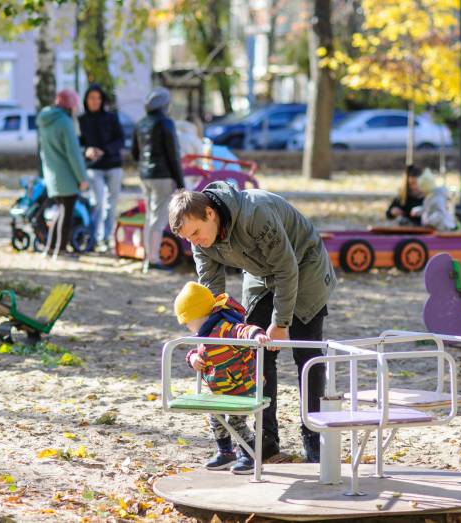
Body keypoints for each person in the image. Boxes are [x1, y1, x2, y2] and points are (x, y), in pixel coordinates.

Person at [168, 183, 338, 463]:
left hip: (304, 265)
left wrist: (281, 322)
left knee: (306, 355)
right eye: (188, 239)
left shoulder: (255, 214)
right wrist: (209, 339)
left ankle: (314, 439)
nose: (195, 242)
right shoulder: (200, 242)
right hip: (260, 274)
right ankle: (266, 440)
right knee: (256, 350)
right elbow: (212, 293)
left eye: (196, 232)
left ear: (210, 213)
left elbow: (287, 268)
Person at [173, 282, 270, 474]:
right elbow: (198, 351)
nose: (188, 327)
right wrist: (192, 358)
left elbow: (243, 330)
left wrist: (257, 334)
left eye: (188, 321)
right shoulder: (205, 333)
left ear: (200, 315)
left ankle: (249, 455)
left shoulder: (225, 327)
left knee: (236, 422)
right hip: (222, 390)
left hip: (243, 387)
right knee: (216, 419)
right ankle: (225, 452)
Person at [131, 87, 184, 272]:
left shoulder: (141, 123)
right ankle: (153, 260)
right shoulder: (166, 123)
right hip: (163, 176)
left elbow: (135, 153)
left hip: (145, 176)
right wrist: (180, 182)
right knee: (159, 219)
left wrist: (145, 167)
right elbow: (173, 155)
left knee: (149, 217)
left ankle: (148, 256)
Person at [37, 89, 89, 256]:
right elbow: (73, 153)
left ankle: (50, 248)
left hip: (52, 174)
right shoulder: (65, 122)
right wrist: (82, 178)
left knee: (60, 212)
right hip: (67, 175)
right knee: (66, 215)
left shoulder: (45, 120)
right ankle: (60, 249)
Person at [78, 84, 124, 251]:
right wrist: (87, 151)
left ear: (102, 99)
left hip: (113, 165)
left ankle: (106, 238)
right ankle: (94, 238)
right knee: (97, 203)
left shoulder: (112, 117)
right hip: (93, 167)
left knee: (111, 204)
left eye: (98, 98)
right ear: (86, 100)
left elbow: (121, 140)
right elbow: (78, 144)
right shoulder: (82, 120)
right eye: (91, 98)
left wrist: (104, 150)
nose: (95, 101)